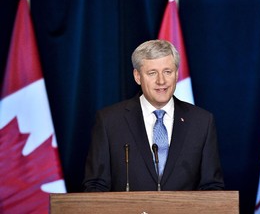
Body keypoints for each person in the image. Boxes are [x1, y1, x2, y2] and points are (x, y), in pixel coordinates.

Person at [83, 39, 224, 191]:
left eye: (167, 72)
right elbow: (95, 187)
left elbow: (212, 188)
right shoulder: (109, 121)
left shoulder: (202, 122)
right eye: (152, 73)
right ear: (137, 76)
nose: (161, 81)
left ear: (176, 74)